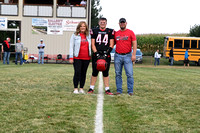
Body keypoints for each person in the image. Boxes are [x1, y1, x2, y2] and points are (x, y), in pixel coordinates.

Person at [88, 17, 115, 95]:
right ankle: (91, 88)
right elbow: (92, 44)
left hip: (106, 53)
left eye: (104, 22)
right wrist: (96, 53)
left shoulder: (110, 31)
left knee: (106, 72)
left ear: (106, 23)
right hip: (97, 53)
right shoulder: (94, 31)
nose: (102, 23)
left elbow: (112, 44)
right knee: (94, 71)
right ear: (98, 23)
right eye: (101, 22)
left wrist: (106, 53)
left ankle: (107, 89)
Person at [114, 18, 137, 96]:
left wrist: (133, 54)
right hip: (117, 55)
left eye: (123, 22)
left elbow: (134, 44)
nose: (122, 24)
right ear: (119, 24)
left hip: (127, 55)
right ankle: (119, 90)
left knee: (129, 74)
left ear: (126, 23)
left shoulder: (130, 32)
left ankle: (130, 90)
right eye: (121, 23)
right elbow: (112, 43)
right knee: (118, 74)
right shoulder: (116, 33)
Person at [69, 21, 91, 94]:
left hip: (86, 58)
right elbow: (71, 46)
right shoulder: (75, 35)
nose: (82, 27)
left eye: (84, 26)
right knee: (77, 72)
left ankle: (81, 88)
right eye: (81, 26)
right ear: (79, 27)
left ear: (86, 28)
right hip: (77, 57)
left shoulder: (88, 36)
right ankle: (75, 88)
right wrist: (71, 57)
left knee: (83, 73)